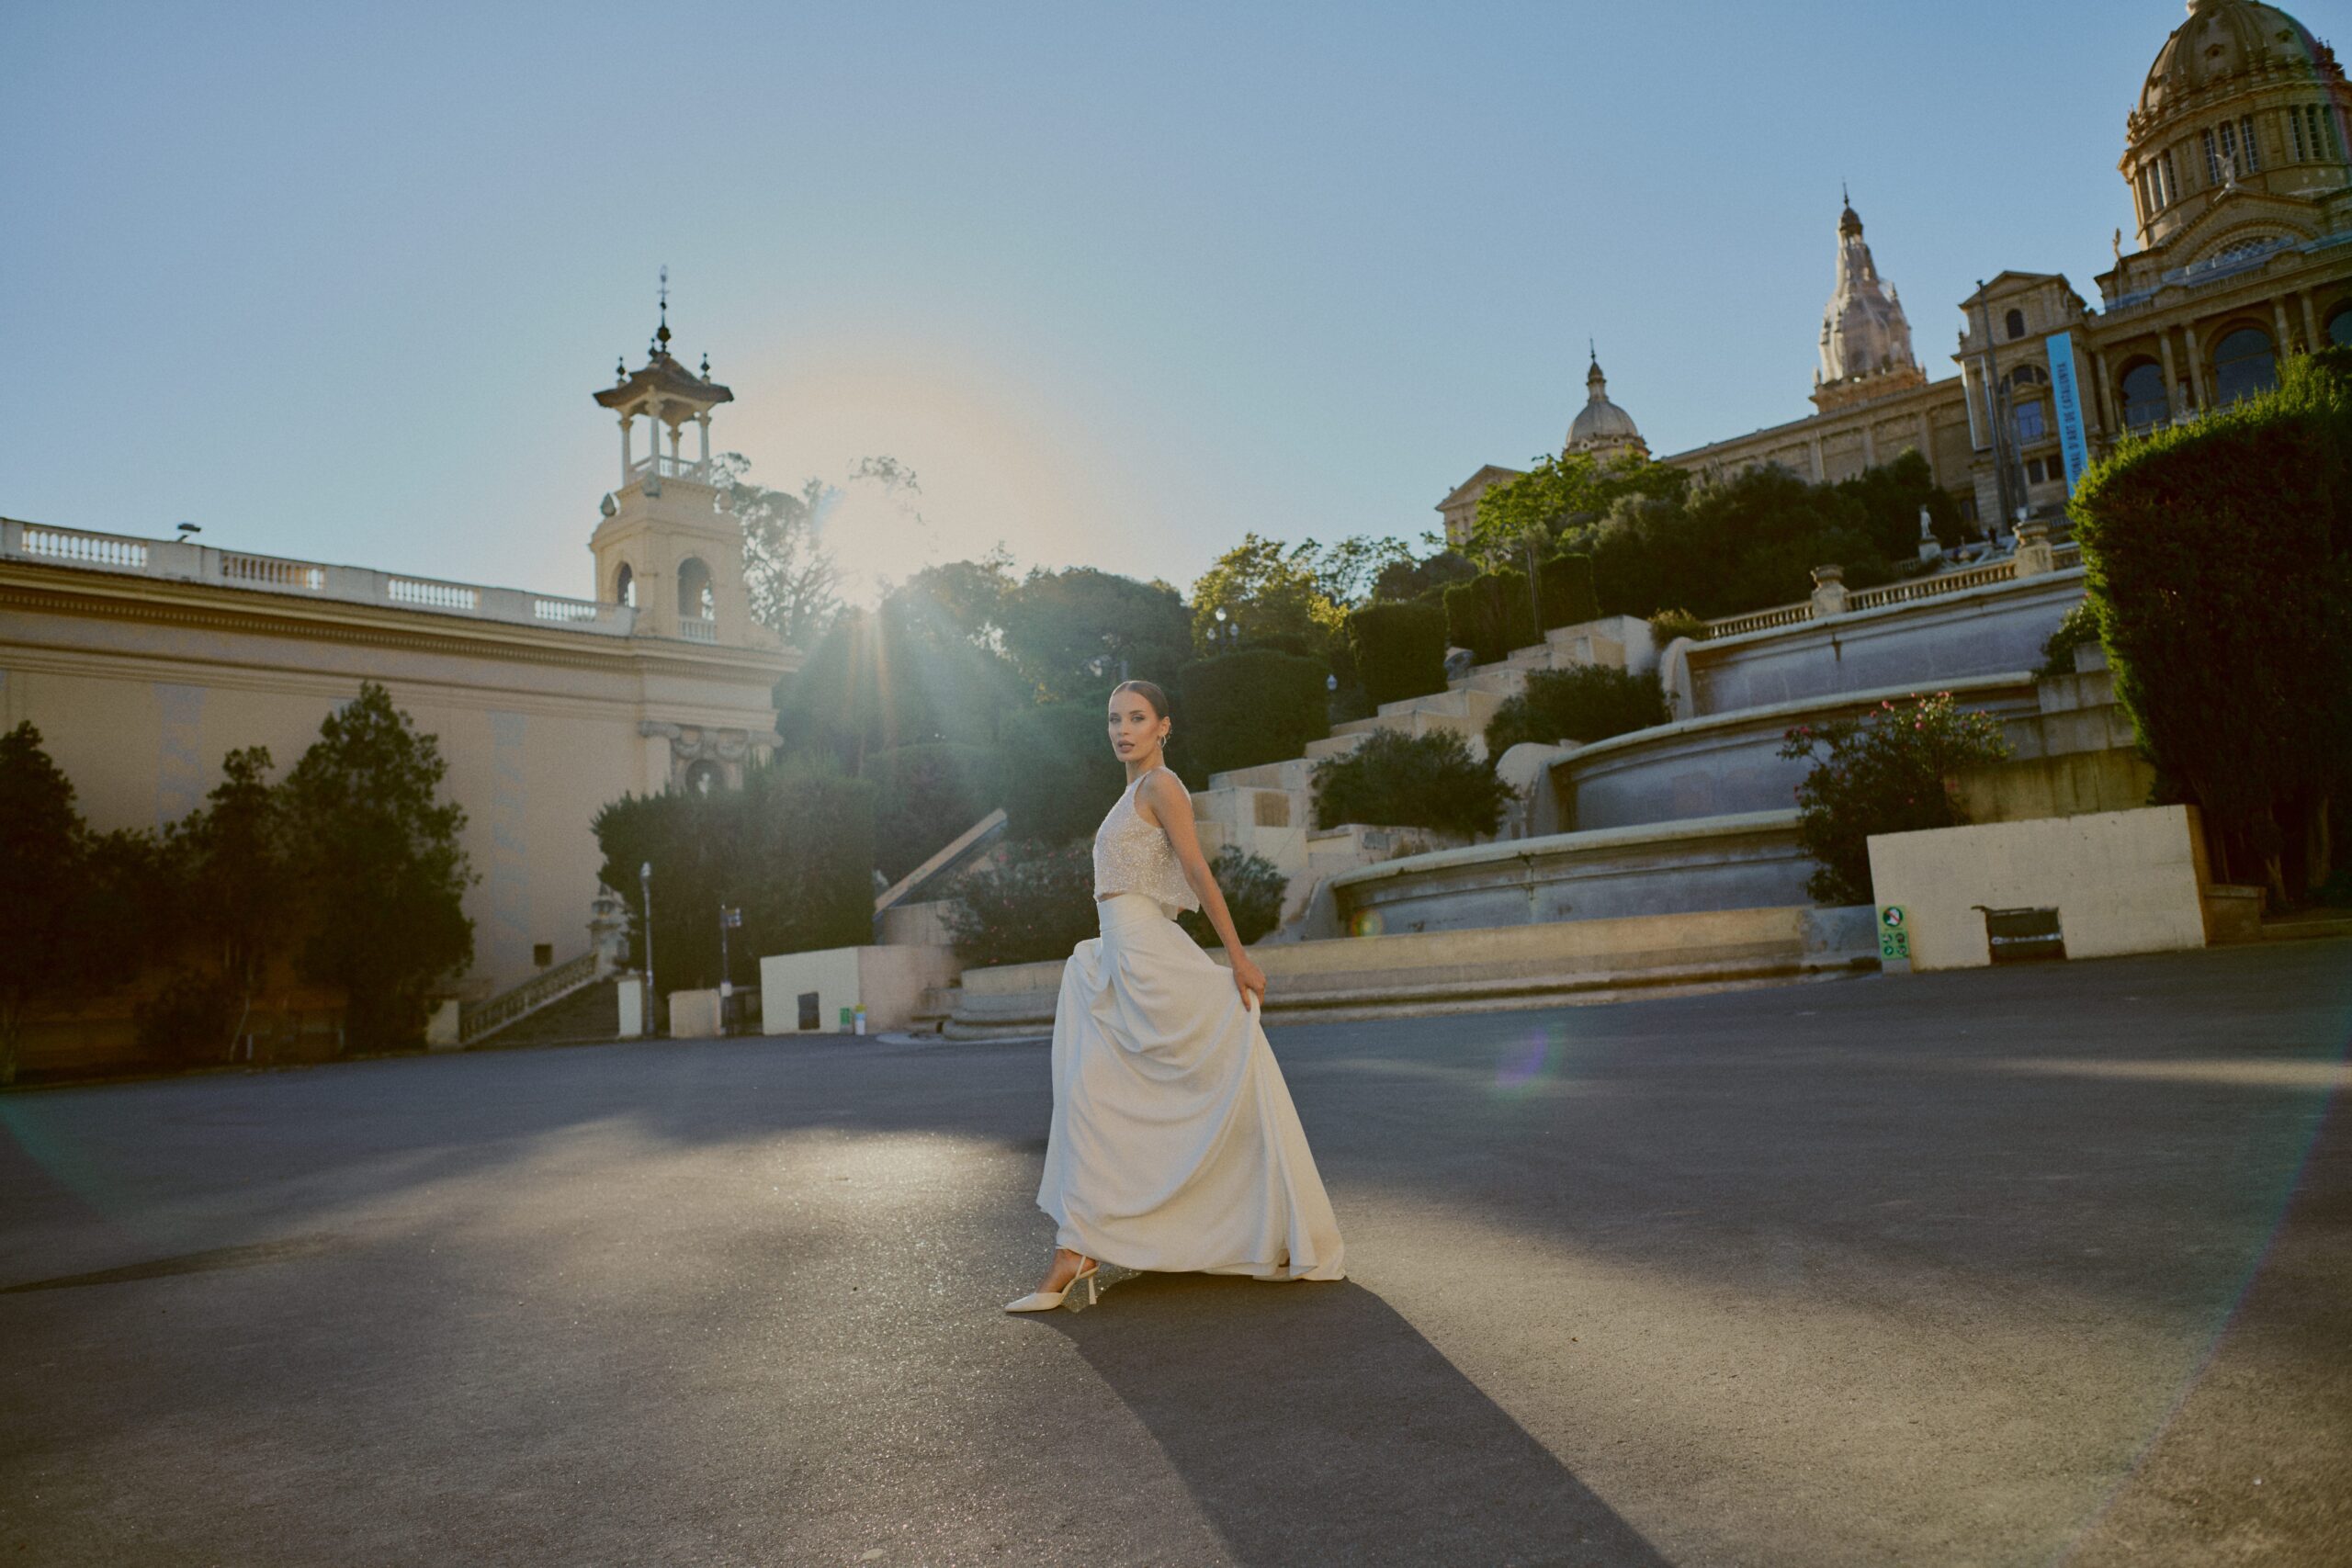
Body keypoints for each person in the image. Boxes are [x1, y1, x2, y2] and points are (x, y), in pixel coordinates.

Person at [1005, 679, 1347, 1313]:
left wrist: (1238, 956)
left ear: (1164, 725)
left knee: (1135, 1095)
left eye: (1137, 717)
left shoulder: (1162, 786)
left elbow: (1196, 870)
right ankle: (1079, 1246)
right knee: (1092, 1098)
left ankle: (1097, 1247)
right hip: (1119, 957)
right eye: (1114, 718)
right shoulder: (1132, 792)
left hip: (1145, 959)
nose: (1122, 729)